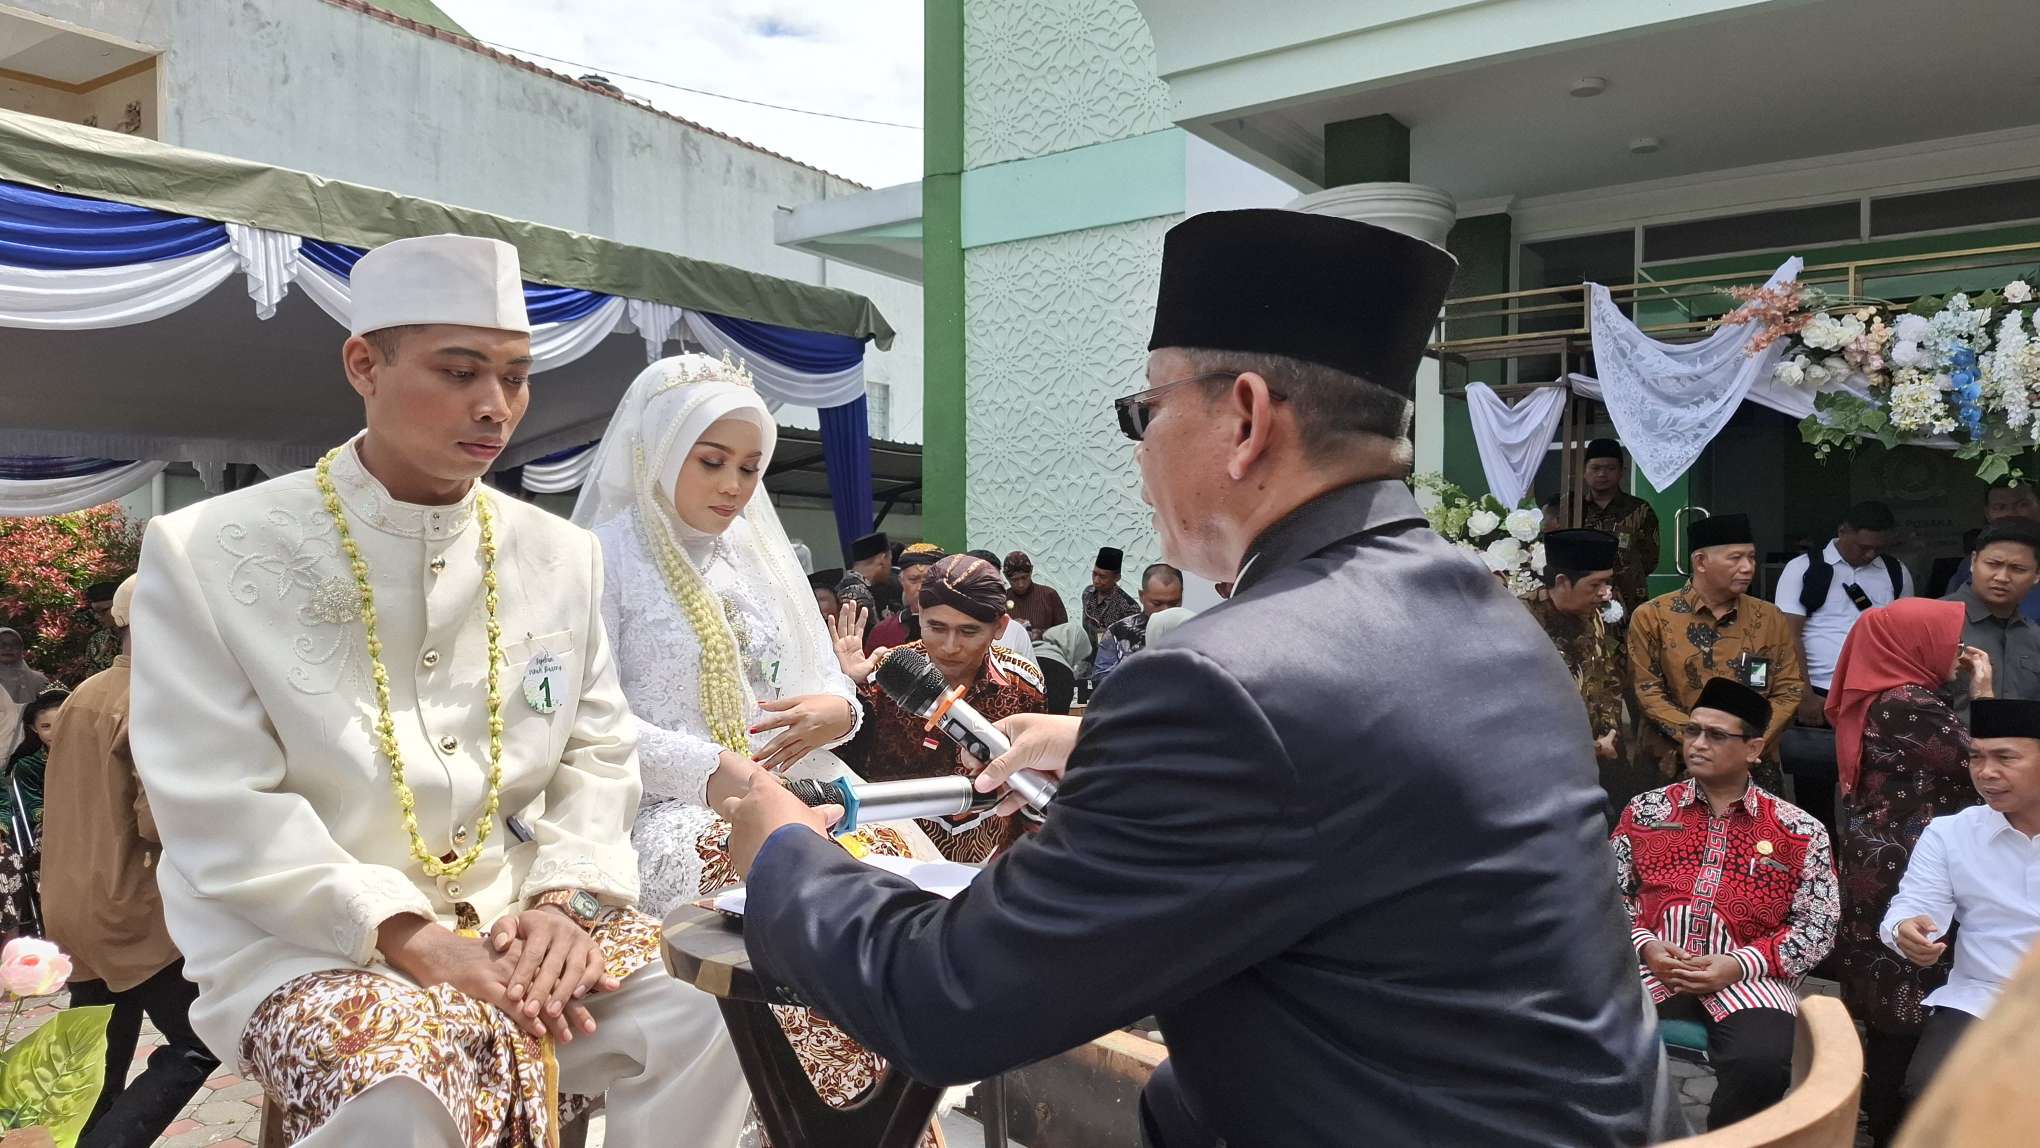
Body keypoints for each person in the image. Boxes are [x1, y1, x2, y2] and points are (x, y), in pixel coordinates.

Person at [718, 208, 1667, 1146]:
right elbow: (1351, 773)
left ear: (1246, 418)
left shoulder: (1229, 686)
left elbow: (947, 1001)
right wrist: (1100, 745)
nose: (1137, 450)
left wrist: (789, 855)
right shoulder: (1485, 617)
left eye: (1145, 412)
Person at [129, 235, 748, 1147]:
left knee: (722, 1013)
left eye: (515, 376)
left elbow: (598, 747)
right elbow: (216, 799)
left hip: (520, 922)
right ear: (363, 365)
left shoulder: (557, 554)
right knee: (400, 1085)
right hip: (304, 941)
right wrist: (412, 938)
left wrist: (567, 905)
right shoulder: (208, 551)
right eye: (459, 372)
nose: (494, 405)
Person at [575, 353, 944, 1138]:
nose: (735, 486)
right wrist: (721, 773)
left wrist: (834, 714)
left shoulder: (758, 558)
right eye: (711, 461)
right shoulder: (599, 558)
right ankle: (810, 1125)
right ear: (657, 450)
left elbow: (829, 686)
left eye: (750, 466)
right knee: (789, 904)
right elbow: (588, 717)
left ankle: (881, 1126)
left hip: (799, 789)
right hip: (669, 809)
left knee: (885, 880)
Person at [1611, 676, 1838, 1131]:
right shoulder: (1647, 811)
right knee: (1595, 1041)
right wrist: (1646, 946)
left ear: (1754, 749)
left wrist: (1739, 965)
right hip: (1648, 965)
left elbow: (1818, 924)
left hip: (1750, 976)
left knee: (1760, 1063)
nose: (1698, 744)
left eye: (1716, 735)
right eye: (1692, 731)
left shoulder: (1798, 829)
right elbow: (1609, 894)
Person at [43, 576, 219, 1147]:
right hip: (130, 908)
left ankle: (75, 1137)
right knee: (203, 1038)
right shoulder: (157, 698)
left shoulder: (85, 692)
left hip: (71, 901)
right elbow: (156, 823)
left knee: (94, 1054)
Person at [1823, 598, 1987, 1146]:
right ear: (1913, 643)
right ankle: (1896, 1122)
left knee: (1891, 996)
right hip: (1909, 865)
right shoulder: (1907, 702)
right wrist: (1983, 687)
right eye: (1946, 638)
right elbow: (1985, 765)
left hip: (1883, 857)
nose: (1958, 650)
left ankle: (1883, 1110)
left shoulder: (1886, 697)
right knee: (1906, 1000)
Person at [829, 553, 1047, 862]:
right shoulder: (888, 676)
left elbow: (1032, 790)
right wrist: (846, 692)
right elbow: (839, 777)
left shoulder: (1022, 684)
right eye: (936, 627)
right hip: (892, 864)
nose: (950, 646)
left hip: (990, 866)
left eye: (969, 631)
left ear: (999, 627)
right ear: (918, 613)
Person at [1880, 696, 2040, 1117]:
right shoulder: (1950, 834)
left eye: (2005, 758)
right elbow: (1914, 904)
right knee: (1932, 1092)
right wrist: (1906, 929)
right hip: (1984, 997)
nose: (1987, 773)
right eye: (1976, 758)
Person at [1630, 513, 1804, 795]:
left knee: (1754, 840)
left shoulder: (1769, 617)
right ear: (1700, 562)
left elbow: (1789, 688)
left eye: (1751, 557)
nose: (1748, 568)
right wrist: (1706, 740)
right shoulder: (1653, 617)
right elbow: (1647, 692)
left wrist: (1744, 742)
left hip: (1752, 766)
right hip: (1673, 767)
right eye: (1735, 558)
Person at [1774, 501, 1911, 832]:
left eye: (1877, 548)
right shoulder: (1802, 568)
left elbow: (1904, 637)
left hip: (1873, 696)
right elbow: (1788, 635)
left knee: (1873, 785)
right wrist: (1803, 694)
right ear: (1842, 532)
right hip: (1819, 693)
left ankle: (1866, 861)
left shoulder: (1895, 571)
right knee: (1815, 790)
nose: (1869, 555)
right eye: (1863, 546)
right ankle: (1822, 863)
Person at [1528, 529, 1652, 815]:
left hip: (1605, 755)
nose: (1604, 593)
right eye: (1595, 584)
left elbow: (1607, 679)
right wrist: (1589, 746)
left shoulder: (1592, 614)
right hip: (1550, 767)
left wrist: (1609, 734)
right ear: (1562, 582)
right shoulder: (1521, 621)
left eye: (1607, 582)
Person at [1942, 519, 2040, 722]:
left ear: (2037, 575)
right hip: (1949, 750)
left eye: (2018, 569)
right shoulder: (1932, 623)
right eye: (1993, 564)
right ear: (1973, 561)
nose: (2002, 577)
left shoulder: (2034, 637)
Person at [1565, 438, 1660, 616]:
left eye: (1610, 468)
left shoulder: (1639, 509)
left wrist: (1624, 573)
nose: (1602, 474)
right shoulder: (1570, 508)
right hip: (1580, 597)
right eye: (1596, 468)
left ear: (1621, 472)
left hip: (1628, 597)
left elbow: (1650, 559)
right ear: (1584, 471)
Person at [1941, 481, 2040, 619]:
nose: (2011, 513)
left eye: (2022, 505)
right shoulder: (1971, 564)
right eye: (2000, 507)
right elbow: (1951, 616)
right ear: (1987, 513)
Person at [1092, 563, 1184, 681]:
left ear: (1181, 595)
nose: (1165, 610)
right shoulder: (1118, 632)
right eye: (1157, 604)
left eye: (1174, 603)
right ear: (1142, 596)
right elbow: (1100, 681)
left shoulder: (1195, 630)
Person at [865, 541, 946, 651]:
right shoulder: (883, 632)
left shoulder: (957, 627)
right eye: (913, 580)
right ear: (901, 581)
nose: (921, 588)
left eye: (929, 580)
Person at [1003, 551, 1069, 641]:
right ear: (1006, 577)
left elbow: (1065, 632)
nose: (1021, 584)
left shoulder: (1049, 595)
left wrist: (1041, 634)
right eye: (1015, 580)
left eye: (1024, 577)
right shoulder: (1002, 599)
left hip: (1046, 651)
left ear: (1031, 571)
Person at [1081, 546, 1140, 638]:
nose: (1096, 580)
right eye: (1094, 574)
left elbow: (1129, 639)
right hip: (1086, 650)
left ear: (1117, 578)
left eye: (1102, 577)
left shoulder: (1129, 607)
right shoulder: (1087, 593)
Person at [847, 530, 903, 620]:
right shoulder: (857, 594)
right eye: (890, 560)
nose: (890, 568)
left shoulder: (848, 586)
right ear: (882, 558)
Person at [82, 580, 126, 674]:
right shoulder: (97, 640)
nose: (97, 617)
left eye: (103, 611)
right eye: (95, 612)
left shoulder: (142, 637)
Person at [0, 627, 51, 704]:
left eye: (14, 644)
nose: (8, 648)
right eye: (1, 644)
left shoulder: (39, 680)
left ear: (21, 649)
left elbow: (49, 710)